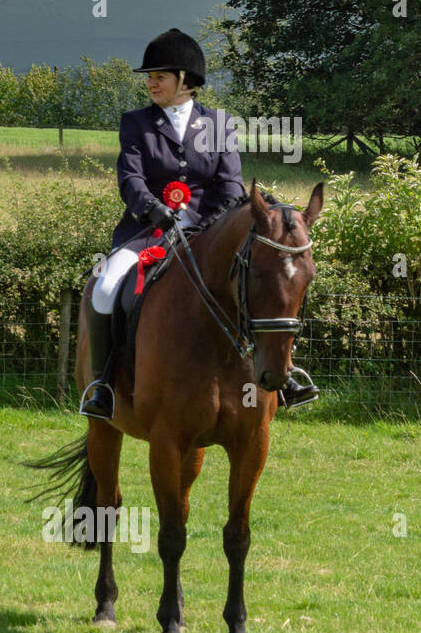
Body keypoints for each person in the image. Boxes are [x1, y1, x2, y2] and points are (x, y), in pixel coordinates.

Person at [79, 28, 318, 419]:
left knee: (269, 282)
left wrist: (211, 226)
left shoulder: (219, 125)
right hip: (148, 231)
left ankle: (286, 375)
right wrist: (155, 210)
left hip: (208, 235)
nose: (151, 83)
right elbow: (131, 179)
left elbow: (229, 185)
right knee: (105, 288)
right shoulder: (136, 123)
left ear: (185, 81)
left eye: (159, 76)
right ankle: (104, 386)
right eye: (150, 77)